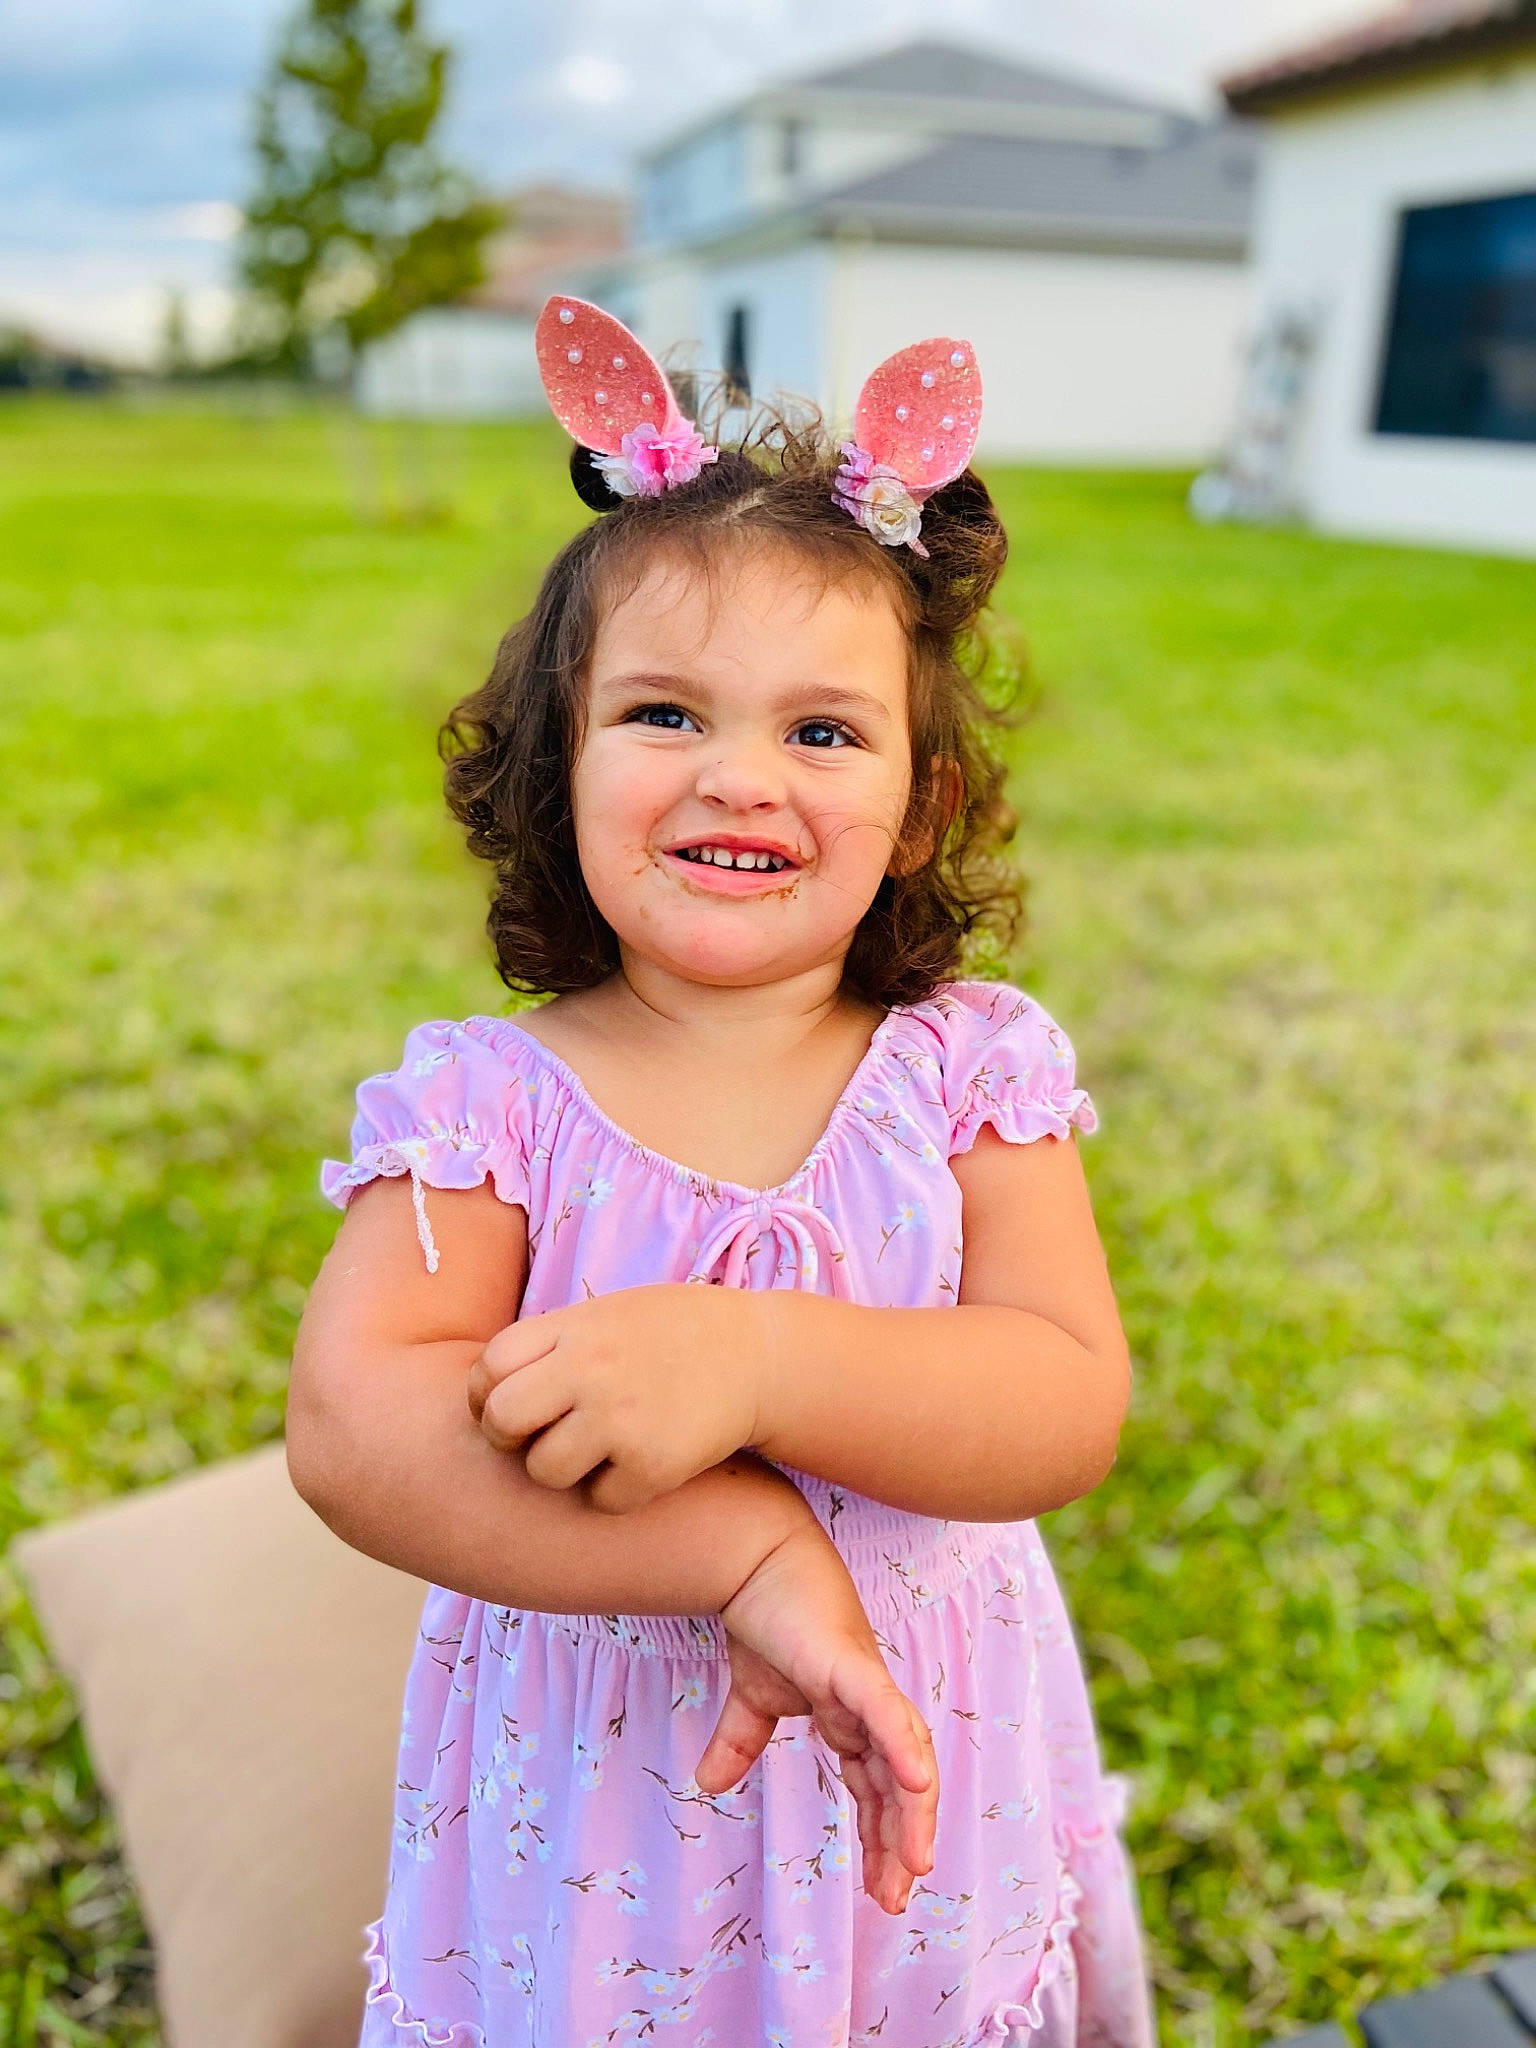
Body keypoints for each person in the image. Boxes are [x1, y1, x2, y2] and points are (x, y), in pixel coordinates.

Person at [286, 297, 1155, 2048]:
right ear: (561, 763)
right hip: (614, 1825)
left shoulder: (966, 1073)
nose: (740, 774)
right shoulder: (494, 1106)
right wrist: (743, 1550)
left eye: (823, 733)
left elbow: (1064, 1400)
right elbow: (353, 1426)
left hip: (917, 1778)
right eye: (666, 713)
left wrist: (754, 1359)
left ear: (917, 808)